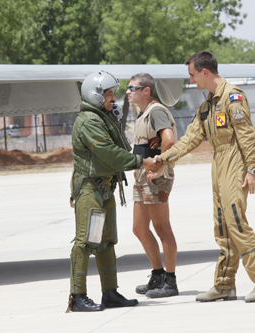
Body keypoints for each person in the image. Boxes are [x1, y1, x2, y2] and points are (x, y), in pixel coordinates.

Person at [154, 51, 255, 303]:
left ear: (204, 72)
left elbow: (246, 135)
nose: (191, 81)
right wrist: (163, 159)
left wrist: (252, 169)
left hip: (235, 161)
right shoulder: (207, 106)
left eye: (192, 75)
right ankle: (224, 285)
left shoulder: (233, 96)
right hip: (219, 163)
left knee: (235, 220)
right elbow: (190, 138)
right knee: (222, 225)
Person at [67, 71, 161, 312]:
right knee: (86, 242)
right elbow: (108, 153)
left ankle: (110, 293)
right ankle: (77, 297)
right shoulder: (89, 121)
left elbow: (121, 148)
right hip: (91, 189)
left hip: (105, 188)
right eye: (109, 94)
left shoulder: (103, 117)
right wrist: (141, 162)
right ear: (95, 95)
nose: (114, 98)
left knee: (106, 241)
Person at [126, 73, 179, 298]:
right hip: (142, 177)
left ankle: (170, 280)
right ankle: (157, 275)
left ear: (146, 90)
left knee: (161, 228)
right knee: (139, 228)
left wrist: (160, 167)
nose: (128, 91)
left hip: (155, 177)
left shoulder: (156, 111)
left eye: (132, 88)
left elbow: (168, 139)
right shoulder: (143, 113)